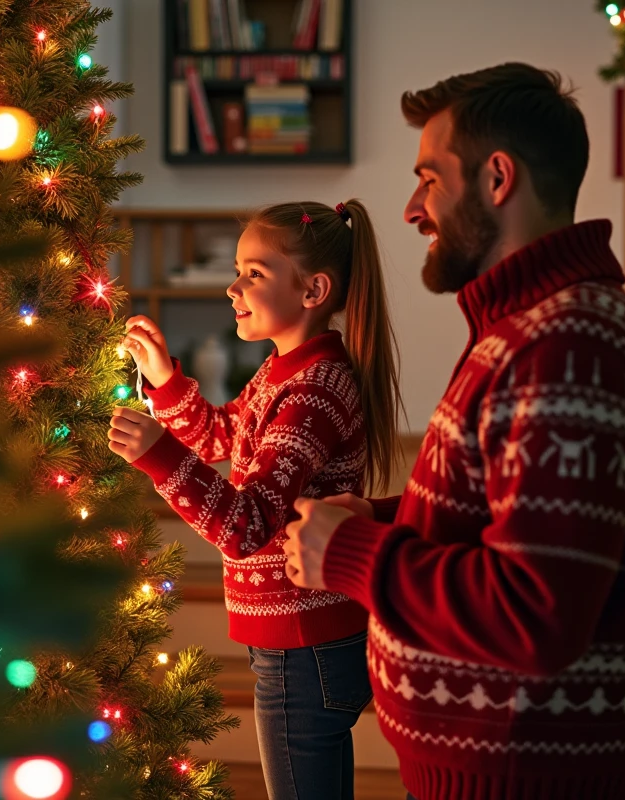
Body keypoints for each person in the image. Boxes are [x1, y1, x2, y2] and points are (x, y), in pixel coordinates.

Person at [283, 64, 625, 800]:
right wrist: (385, 515)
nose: (411, 209)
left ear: (498, 179)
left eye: (429, 179)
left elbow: (535, 611)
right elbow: (503, 512)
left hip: (517, 777)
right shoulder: (531, 330)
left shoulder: (567, 346)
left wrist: (353, 554)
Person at [108, 200, 403, 800]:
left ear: (313, 290)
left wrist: (159, 454)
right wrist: (165, 381)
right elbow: (222, 435)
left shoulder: (313, 390)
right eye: (239, 270)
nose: (233, 287)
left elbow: (247, 525)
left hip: (305, 643)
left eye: (254, 273)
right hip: (296, 639)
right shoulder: (283, 372)